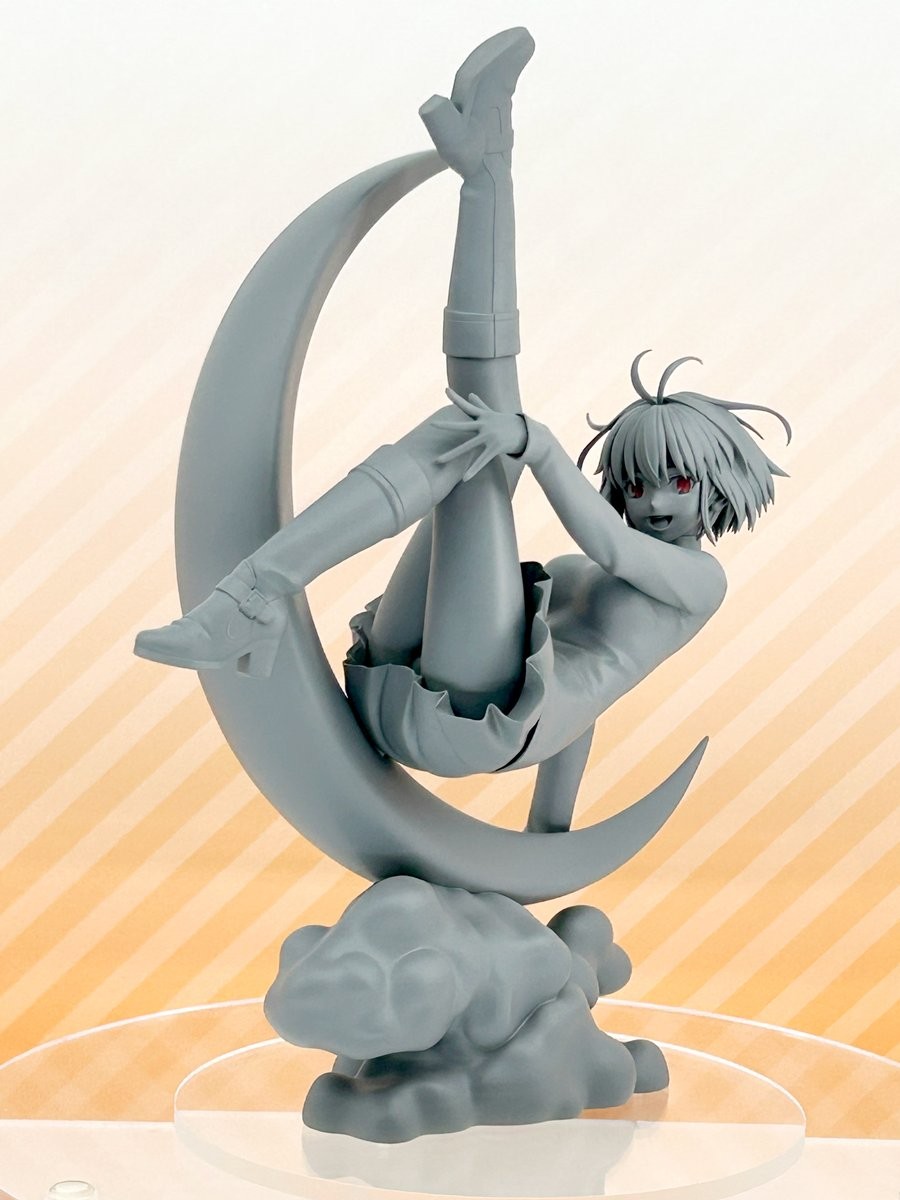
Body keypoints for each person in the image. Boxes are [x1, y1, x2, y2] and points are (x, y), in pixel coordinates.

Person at [134, 28, 789, 833]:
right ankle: (486, 169)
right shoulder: (588, 575)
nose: (653, 500)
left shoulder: (699, 583)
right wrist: (550, 830)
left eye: (677, 482)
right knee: (477, 438)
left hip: (479, 722)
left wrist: (539, 448)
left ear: (720, 487)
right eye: (635, 482)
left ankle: (252, 594)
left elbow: (608, 570)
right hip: (396, 678)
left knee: (484, 441)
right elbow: (581, 698)